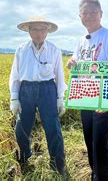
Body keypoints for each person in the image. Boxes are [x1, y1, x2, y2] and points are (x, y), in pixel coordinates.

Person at [67, 0, 108, 181]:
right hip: (85, 96)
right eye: (85, 13)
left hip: (103, 100)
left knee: (100, 143)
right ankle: (94, 174)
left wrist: (107, 102)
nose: (88, 16)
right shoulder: (81, 40)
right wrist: (71, 63)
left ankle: (102, 177)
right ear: (80, 16)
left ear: (101, 14)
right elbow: (76, 62)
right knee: (89, 139)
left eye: (93, 12)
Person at [9, 16, 67, 177]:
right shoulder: (21, 49)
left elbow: (59, 75)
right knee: (22, 126)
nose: (39, 33)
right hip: (26, 89)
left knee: (52, 127)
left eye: (42, 29)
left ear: (47, 31)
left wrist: (60, 97)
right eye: (34, 29)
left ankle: (57, 163)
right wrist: (14, 98)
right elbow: (15, 74)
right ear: (28, 31)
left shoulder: (54, 50)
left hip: (47, 89)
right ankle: (25, 157)